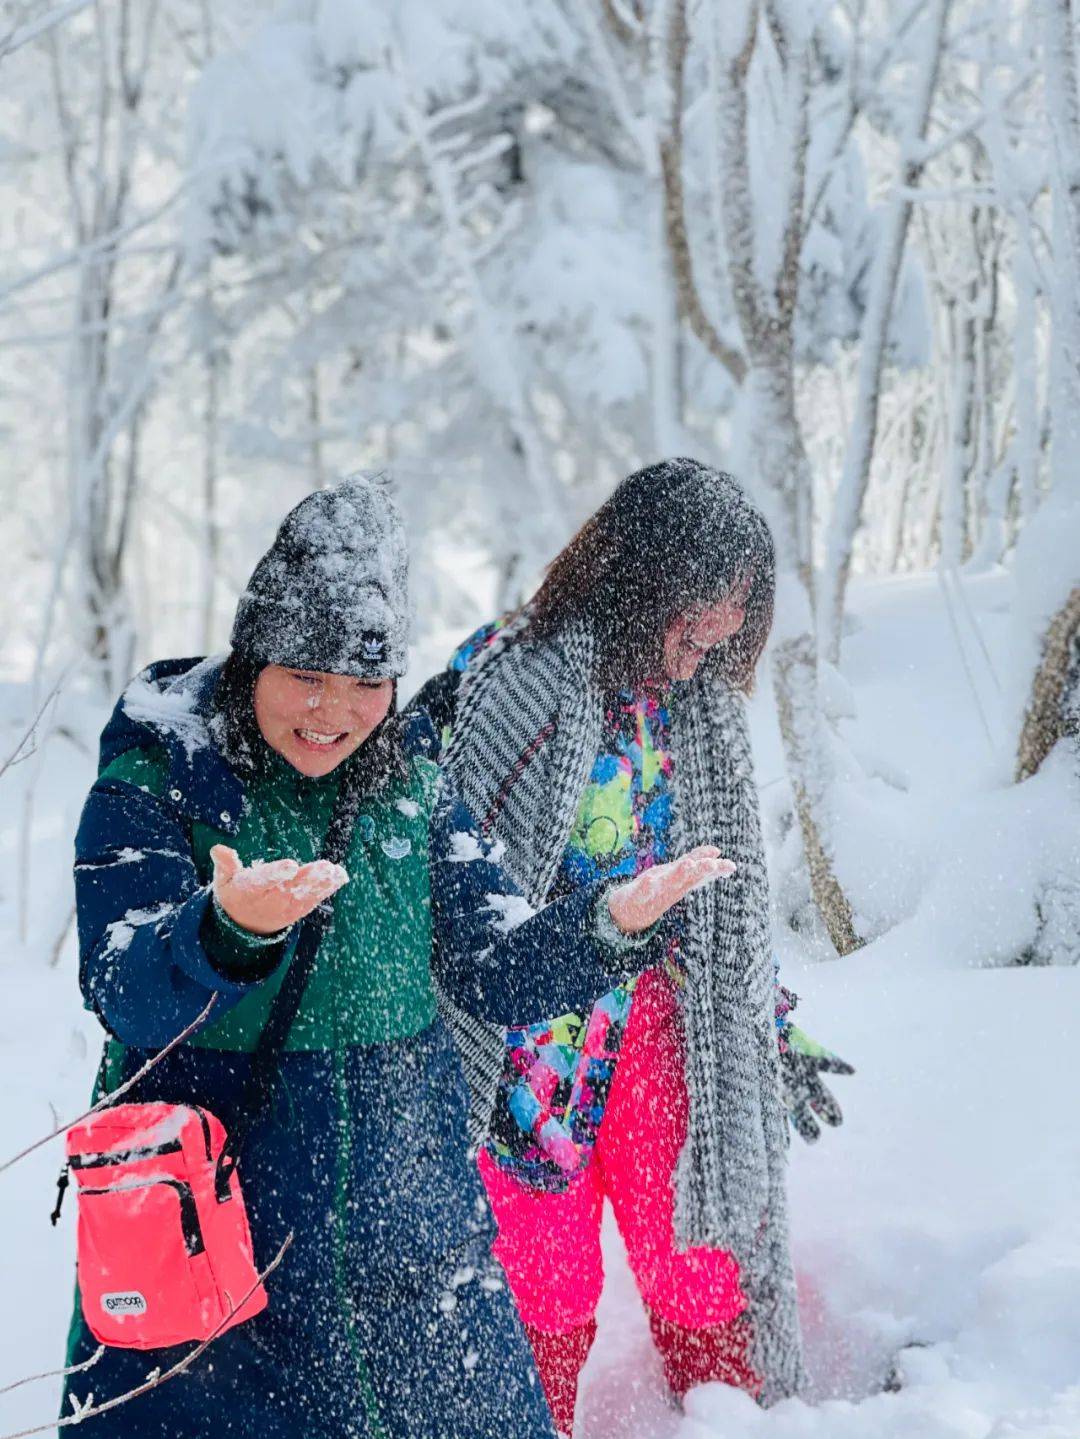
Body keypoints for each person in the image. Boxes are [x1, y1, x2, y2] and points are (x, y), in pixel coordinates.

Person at [61, 475, 736, 1439]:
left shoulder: (407, 787)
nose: (333, 711)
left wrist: (606, 923)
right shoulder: (158, 780)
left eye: (365, 683)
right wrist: (225, 931)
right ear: (256, 656)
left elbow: (497, 963)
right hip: (215, 1245)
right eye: (306, 676)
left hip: (409, 1245)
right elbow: (123, 986)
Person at [413, 458, 853, 1435]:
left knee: (697, 1252)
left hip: (659, 1024)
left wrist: (764, 1021)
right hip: (531, 1038)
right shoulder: (509, 670)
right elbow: (438, 855)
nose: (711, 644)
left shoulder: (691, 704)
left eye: (731, 621)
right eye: (701, 614)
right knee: (541, 1281)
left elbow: (717, 883)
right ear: (645, 576)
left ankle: (733, 1417)